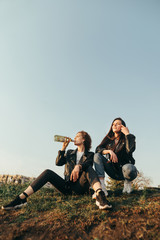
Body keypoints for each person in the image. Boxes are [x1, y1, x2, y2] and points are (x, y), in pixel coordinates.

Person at [2, 131, 112, 210]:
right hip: (67, 186)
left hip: (80, 187)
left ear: (84, 139)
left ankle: (100, 195)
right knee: (47, 172)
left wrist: (79, 166)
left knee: (88, 168)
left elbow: (88, 164)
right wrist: (63, 149)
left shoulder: (90, 154)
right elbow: (58, 163)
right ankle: (22, 198)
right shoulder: (69, 153)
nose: (75, 137)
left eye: (77, 136)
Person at [93, 118, 137, 198]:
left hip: (126, 170)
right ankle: (102, 187)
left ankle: (127, 182)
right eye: (113, 124)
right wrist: (109, 151)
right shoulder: (108, 139)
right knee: (97, 156)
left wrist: (127, 134)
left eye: (117, 124)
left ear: (122, 126)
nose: (114, 125)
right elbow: (97, 150)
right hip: (113, 170)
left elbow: (130, 150)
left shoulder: (129, 137)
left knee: (128, 167)